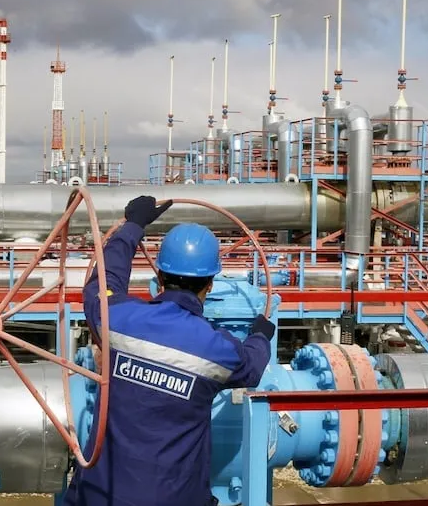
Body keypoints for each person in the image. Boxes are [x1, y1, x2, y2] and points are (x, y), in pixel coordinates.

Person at [63, 195, 275, 506]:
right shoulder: (218, 350)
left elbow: (102, 284)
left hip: (101, 494)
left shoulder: (118, 319)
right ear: (210, 284)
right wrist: (260, 335)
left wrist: (133, 226)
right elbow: (252, 367)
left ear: (159, 276)